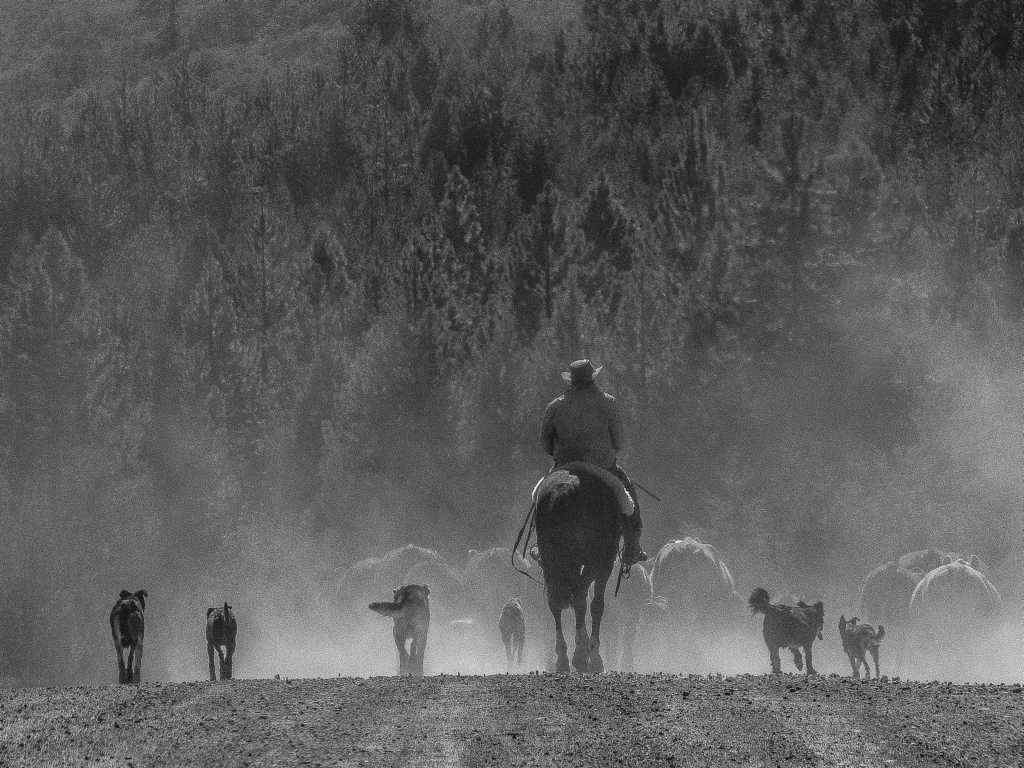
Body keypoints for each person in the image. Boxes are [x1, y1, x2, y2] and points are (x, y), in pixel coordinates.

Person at [540, 359, 648, 567]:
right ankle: (632, 546)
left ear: (571, 380)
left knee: (538, 499)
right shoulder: (608, 402)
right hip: (602, 467)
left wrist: (561, 453)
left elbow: (545, 442)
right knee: (628, 499)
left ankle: (539, 544)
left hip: (564, 467)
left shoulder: (555, 406)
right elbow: (620, 442)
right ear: (592, 378)